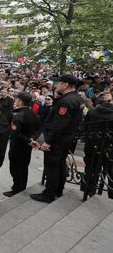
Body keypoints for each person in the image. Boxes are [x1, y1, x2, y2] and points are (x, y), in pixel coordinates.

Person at [31, 75, 83, 203]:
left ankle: (49, 194)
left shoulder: (66, 101)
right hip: (66, 138)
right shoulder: (77, 98)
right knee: (60, 164)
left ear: (65, 85)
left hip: (58, 140)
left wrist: (48, 141)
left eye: (58, 83)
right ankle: (58, 190)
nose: (56, 85)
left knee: (52, 166)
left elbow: (59, 124)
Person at [4, 92, 41, 197]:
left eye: (16, 99)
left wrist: (29, 140)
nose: (15, 101)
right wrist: (32, 139)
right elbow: (38, 129)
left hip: (18, 146)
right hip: (27, 145)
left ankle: (17, 188)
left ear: (20, 101)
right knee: (24, 166)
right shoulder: (34, 114)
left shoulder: (19, 116)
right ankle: (21, 186)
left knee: (16, 167)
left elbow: (15, 133)